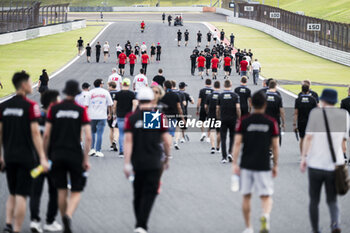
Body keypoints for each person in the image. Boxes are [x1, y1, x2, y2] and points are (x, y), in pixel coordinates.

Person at [0, 71, 49, 233]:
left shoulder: (3, 106)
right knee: (21, 195)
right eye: (30, 82)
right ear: (23, 85)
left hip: (9, 156)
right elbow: (36, 134)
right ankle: (17, 229)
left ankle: (8, 224)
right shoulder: (31, 106)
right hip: (26, 156)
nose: (33, 84)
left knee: (12, 193)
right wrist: (42, 157)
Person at [43, 80, 92, 233]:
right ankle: (68, 215)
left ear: (64, 92)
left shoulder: (54, 109)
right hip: (74, 154)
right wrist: (86, 159)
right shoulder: (80, 109)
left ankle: (63, 215)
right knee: (76, 190)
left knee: (61, 189)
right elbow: (88, 137)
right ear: (77, 93)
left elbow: (46, 135)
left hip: (57, 153)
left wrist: (45, 156)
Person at [123, 86, 172, 233]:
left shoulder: (131, 118)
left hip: (137, 161)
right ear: (151, 100)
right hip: (154, 161)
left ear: (138, 100)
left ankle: (139, 222)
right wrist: (168, 157)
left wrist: (126, 163)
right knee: (149, 193)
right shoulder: (157, 116)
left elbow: (128, 141)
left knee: (138, 193)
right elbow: (166, 140)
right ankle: (141, 224)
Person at [300, 88, 349, 233]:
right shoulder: (344, 114)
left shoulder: (315, 113)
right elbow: (344, 144)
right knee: (332, 199)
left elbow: (308, 138)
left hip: (315, 163)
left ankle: (316, 229)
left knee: (314, 200)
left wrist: (304, 158)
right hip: (335, 164)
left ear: (322, 100)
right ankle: (335, 224)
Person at [232, 91, 279, 233]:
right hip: (264, 164)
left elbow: (237, 143)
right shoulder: (271, 122)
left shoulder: (244, 121)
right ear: (265, 104)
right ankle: (265, 215)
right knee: (266, 196)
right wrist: (276, 164)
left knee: (246, 196)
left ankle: (249, 228)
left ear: (251, 103)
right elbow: (275, 146)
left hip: (246, 163)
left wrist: (234, 163)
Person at [29, 90, 62, 233]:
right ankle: (49, 221)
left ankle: (35, 221)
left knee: (35, 192)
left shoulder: (34, 118)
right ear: (53, 103)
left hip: (36, 162)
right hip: (52, 162)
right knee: (54, 192)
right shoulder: (56, 119)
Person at [86, 79, 113, 158]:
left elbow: (86, 105)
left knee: (92, 132)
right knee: (100, 133)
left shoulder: (90, 93)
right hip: (102, 115)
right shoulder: (105, 92)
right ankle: (98, 150)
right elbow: (110, 104)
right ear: (100, 84)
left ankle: (92, 149)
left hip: (91, 115)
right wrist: (110, 113)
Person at [217, 79, 240, 163]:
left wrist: (218, 117)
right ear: (231, 85)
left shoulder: (220, 95)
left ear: (224, 85)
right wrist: (239, 117)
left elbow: (217, 108)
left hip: (223, 118)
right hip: (233, 119)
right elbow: (238, 108)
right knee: (232, 136)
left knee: (223, 138)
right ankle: (230, 152)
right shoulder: (235, 95)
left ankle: (224, 157)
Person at [114, 78, 138, 157]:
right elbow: (135, 104)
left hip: (120, 115)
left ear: (122, 84)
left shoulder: (118, 94)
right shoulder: (132, 94)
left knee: (121, 133)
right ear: (129, 84)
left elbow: (114, 105)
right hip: (129, 116)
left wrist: (114, 113)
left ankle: (121, 151)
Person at [293, 84, 317, 155]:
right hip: (311, 122)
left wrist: (294, 124)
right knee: (310, 138)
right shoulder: (313, 99)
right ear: (308, 90)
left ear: (301, 90)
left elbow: (296, 113)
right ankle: (308, 154)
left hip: (301, 122)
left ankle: (302, 155)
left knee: (302, 138)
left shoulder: (298, 100)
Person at [160, 80, 184, 149]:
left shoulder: (162, 95)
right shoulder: (175, 95)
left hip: (164, 116)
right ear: (171, 86)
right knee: (171, 133)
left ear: (164, 87)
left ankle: (164, 146)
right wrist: (182, 118)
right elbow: (179, 107)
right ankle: (169, 148)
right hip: (173, 116)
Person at [265, 80, 285, 145]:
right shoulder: (278, 97)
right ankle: (272, 150)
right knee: (275, 136)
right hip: (275, 120)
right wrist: (283, 122)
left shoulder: (264, 96)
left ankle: (269, 149)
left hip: (266, 119)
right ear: (275, 86)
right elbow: (281, 111)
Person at [205, 81, 221, 154]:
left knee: (212, 130)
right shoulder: (221, 95)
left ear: (214, 87)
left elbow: (205, 106)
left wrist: (207, 112)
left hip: (211, 114)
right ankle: (218, 147)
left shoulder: (209, 96)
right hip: (219, 116)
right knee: (219, 132)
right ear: (219, 87)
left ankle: (212, 147)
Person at [107, 82, 119, 152]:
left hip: (109, 113)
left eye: (108, 86)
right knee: (116, 128)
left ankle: (112, 145)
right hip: (117, 112)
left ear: (111, 86)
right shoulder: (118, 93)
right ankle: (115, 141)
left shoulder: (108, 93)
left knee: (111, 129)